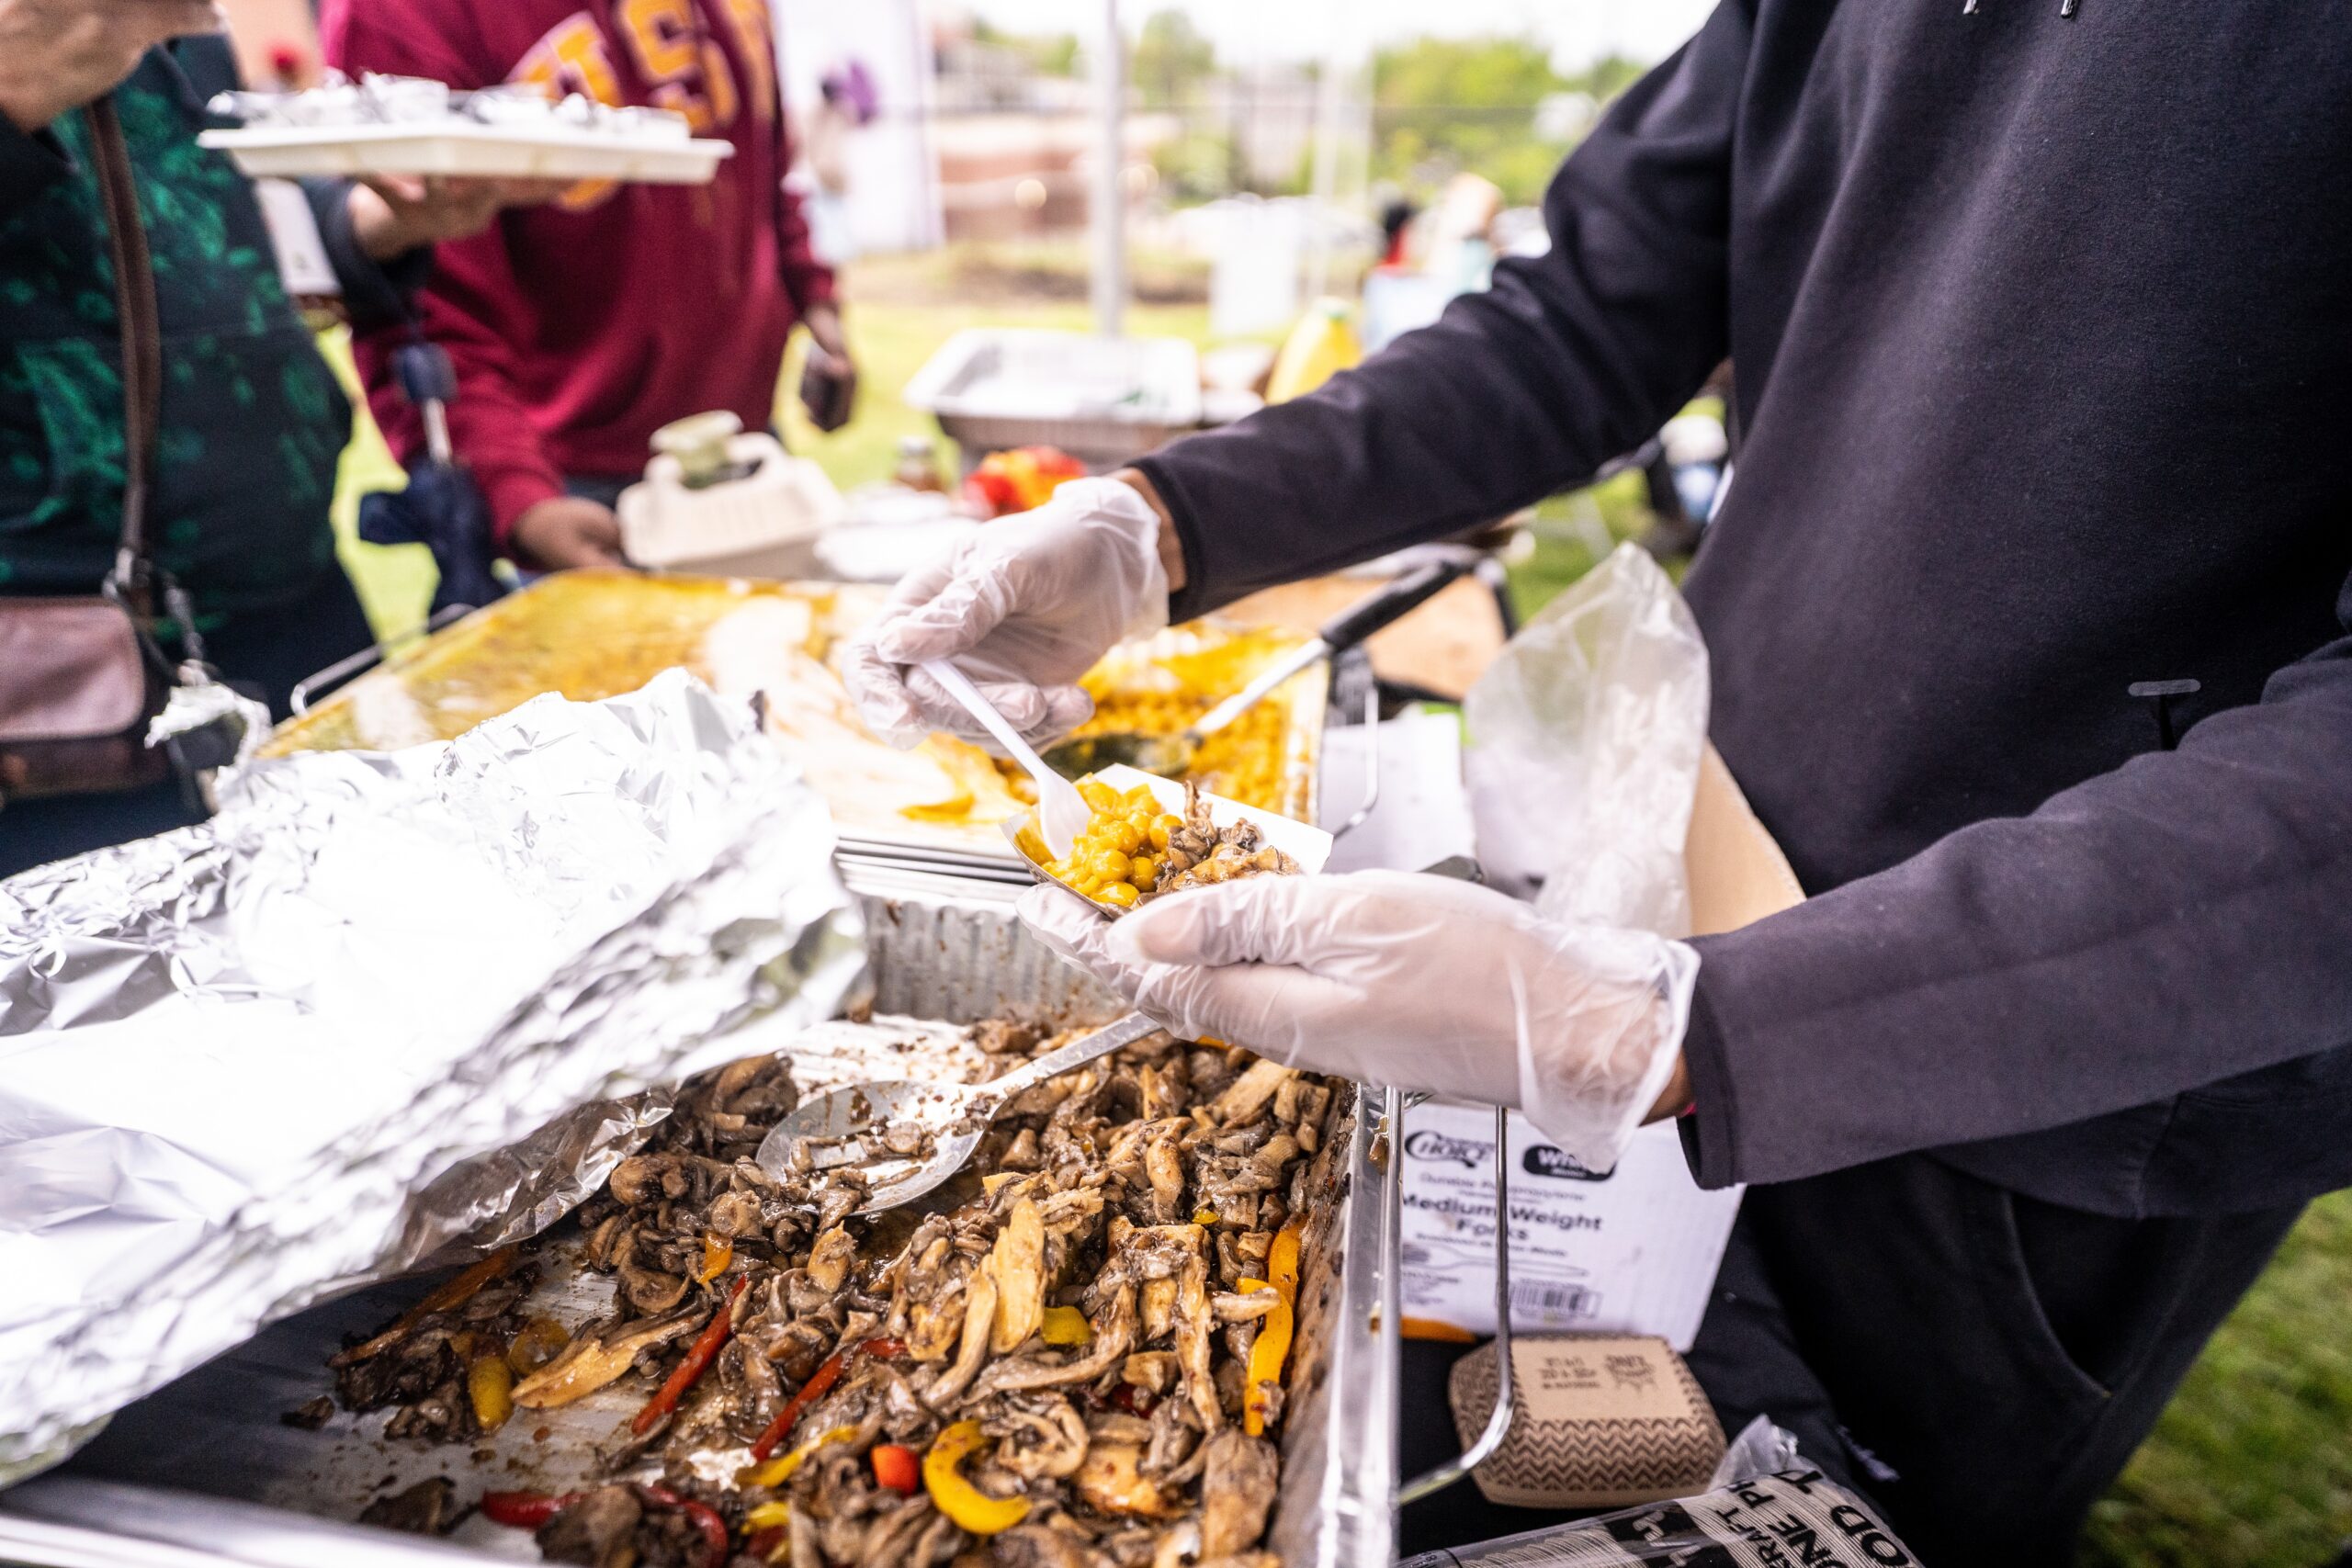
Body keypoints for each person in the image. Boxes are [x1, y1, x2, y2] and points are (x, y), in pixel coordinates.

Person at [843, 5, 2352, 1562]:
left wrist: (1694, 1030)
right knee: (1601, 1437)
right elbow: (1584, 315)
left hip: (2057, 1057)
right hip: (1695, 862)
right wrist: (1171, 524)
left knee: (1846, 1509)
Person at [0, 0, 526, 878]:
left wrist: (368, 225)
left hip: (300, 612)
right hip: (73, 688)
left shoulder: (159, 33)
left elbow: (227, 233)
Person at [320, 0, 857, 574]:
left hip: (749, 441)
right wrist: (518, 499)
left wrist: (815, 301)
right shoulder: (398, 13)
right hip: (576, 486)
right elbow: (420, 301)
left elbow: (760, 150)